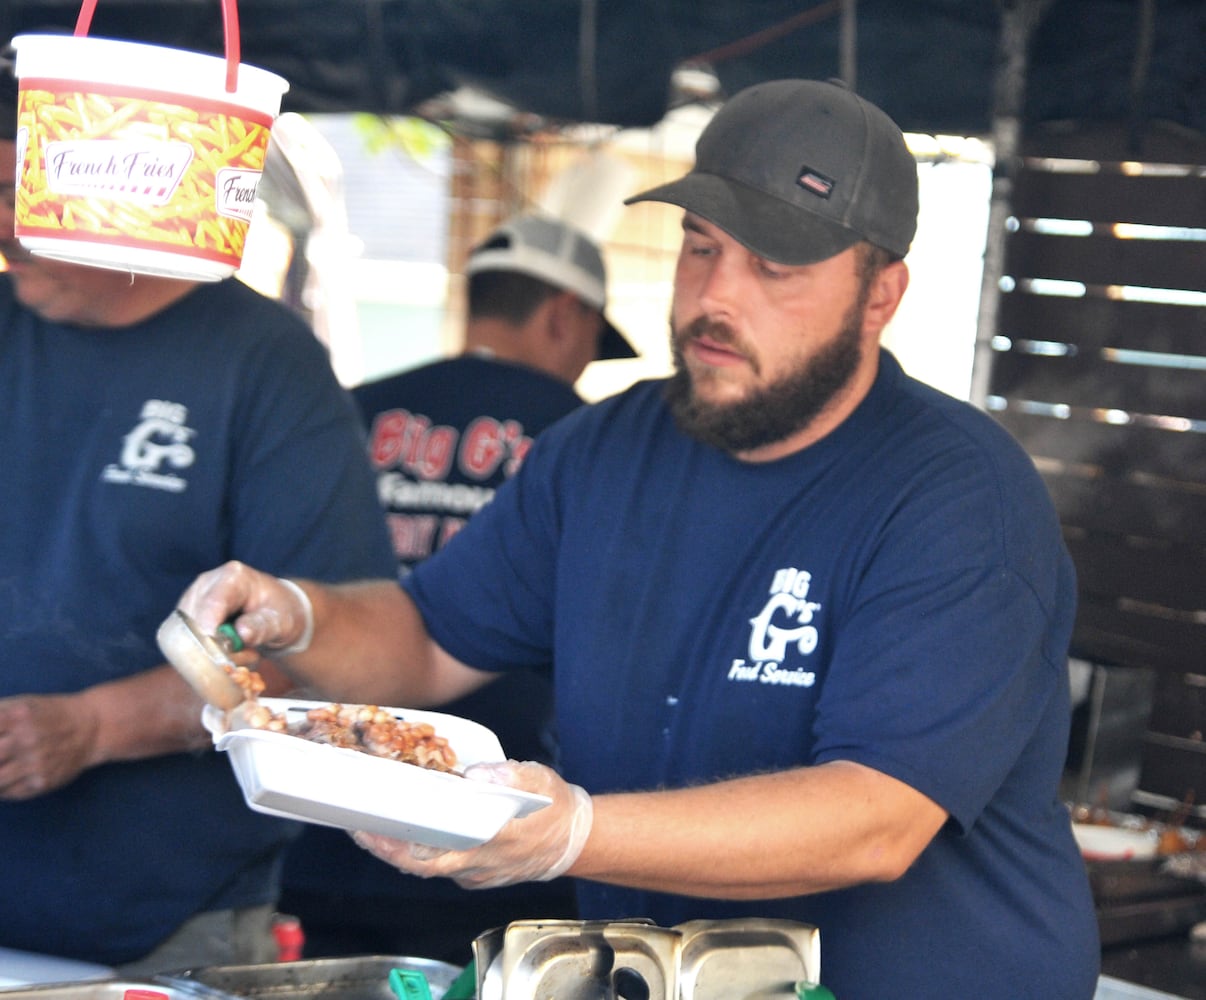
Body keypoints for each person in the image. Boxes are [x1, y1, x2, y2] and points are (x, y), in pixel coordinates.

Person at [177, 79, 1101, 997]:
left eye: (775, 270)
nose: (715, 298)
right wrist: (298, 617)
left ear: (880, 295)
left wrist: (570, 832)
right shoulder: (606, 450)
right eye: (701, 248)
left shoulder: (955, 498)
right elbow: (425, 641)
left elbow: (875, 818)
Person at [0, 63, 396, 971]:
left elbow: (324, 660)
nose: (8, 231)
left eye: (17, 197)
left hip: (166, 930)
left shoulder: (266, 369)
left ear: (108, 193)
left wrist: (93, 727)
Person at [278, 214, 635, 962]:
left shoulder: (352, 408)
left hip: (331, 825)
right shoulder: (588, 443)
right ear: (564, 315)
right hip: (501, 843)